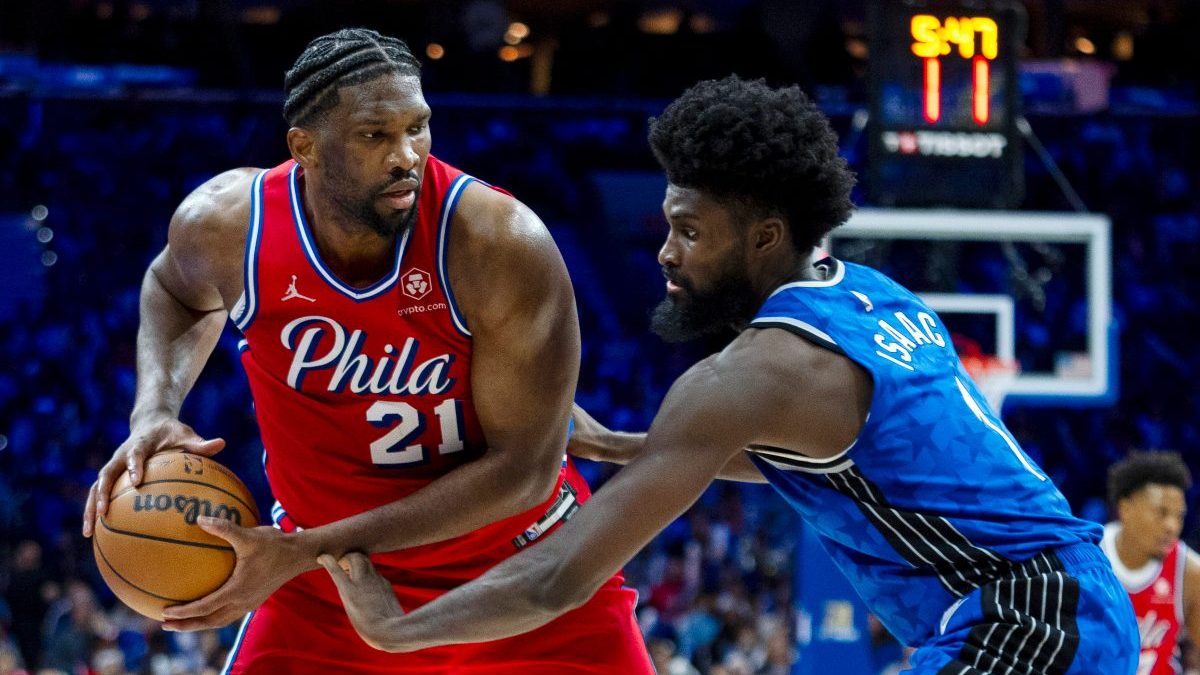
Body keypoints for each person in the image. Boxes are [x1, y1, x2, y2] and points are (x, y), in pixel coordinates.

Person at [318, 75, 1140, 674]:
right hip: (1063, 601)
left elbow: (562, 574)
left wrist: (399, 628)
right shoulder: (873, 295)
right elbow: (830, 458)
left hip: (1024, 617)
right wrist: (629, 445)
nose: (665, 253)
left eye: (688, 231)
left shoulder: (745, 375)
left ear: (763, 235)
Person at [81, 28, 653, 674]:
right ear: (306, 147)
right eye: (375, 135)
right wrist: (154, 408)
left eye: (418, 127)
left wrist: (304, 548)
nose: (406, 155)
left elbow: (525, 472)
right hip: (329, 589)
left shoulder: (498, 243)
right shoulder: (228, 226)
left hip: (518, 579)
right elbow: (171, 287)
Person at [1102, 451, 1200, 674]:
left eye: (1179, 516)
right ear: (1125, 509)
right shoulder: (1090, 559)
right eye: (1161, 513)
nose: (1172, 526)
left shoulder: (1190, 572)